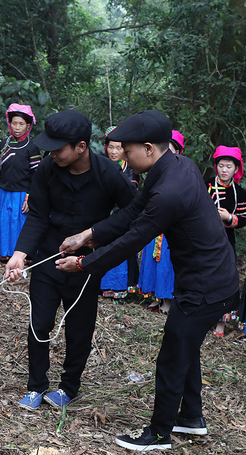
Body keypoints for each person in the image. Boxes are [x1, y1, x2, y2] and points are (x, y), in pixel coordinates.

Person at [56, 110, 239, 451]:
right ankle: (191, 417)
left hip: (206, 285)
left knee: (173, 353)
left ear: (149, 148)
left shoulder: (170, 189)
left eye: (127, 150)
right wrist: (89, 234)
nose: (123, 155)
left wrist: (83, 263)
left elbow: (133, 239)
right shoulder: (175, 165)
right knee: (185, 347)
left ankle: (158, 434)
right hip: (207, 277)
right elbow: (131, 213)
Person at [4, 110, 135, 411]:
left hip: (86, 264)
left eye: (58, 147)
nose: (52, 153)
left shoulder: (108, 174)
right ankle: (36, 385)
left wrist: (95, 237)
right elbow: (37, 214)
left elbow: (132, 215)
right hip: (48, 256)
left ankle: (68, 387)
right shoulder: (48, 169)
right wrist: (20, 254)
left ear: (80, 146)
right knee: (40, 322)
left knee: (79, 328)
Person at [137, 130, 184, 313]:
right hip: (154, 225)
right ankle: (154, 296)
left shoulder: (181, 173)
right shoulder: (153, 173)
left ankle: (167, 299)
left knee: (167, 264)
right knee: (152, 262)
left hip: (170, 229)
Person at [0, 104, 42, 261]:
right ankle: (4, 252)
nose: (17, 127)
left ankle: (21, 255)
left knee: (19, 223)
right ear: (9, 123)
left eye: (21, 124)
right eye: (14, 123)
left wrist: (29, 197)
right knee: (4, 221)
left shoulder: (32, 148)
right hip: (5, 192)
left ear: (28, 126)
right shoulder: (4, 144)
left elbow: (36, 175)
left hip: (22, 194)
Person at [206, 145, 246, 336]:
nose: (224, 170)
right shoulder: (205, 185)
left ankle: (221, 323)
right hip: (204, 239)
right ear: (216, 166)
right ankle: (202, 317)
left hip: (226, 241)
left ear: (236, 169)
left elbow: (243, 218)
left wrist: (229, 218)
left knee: (225, 279)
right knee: (204, 276)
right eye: (221, 165)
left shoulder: (240, 192)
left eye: (229, 166)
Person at [100, 126, 140, 300]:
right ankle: (103, 286)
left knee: (122, 248)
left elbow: (129, 196)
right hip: (103, 216)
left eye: (119, 147)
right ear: (105, 148)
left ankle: (122, 288)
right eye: (111, 147)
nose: (114, 152)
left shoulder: (131, 170)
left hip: (122, 217)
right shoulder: (101, 166)